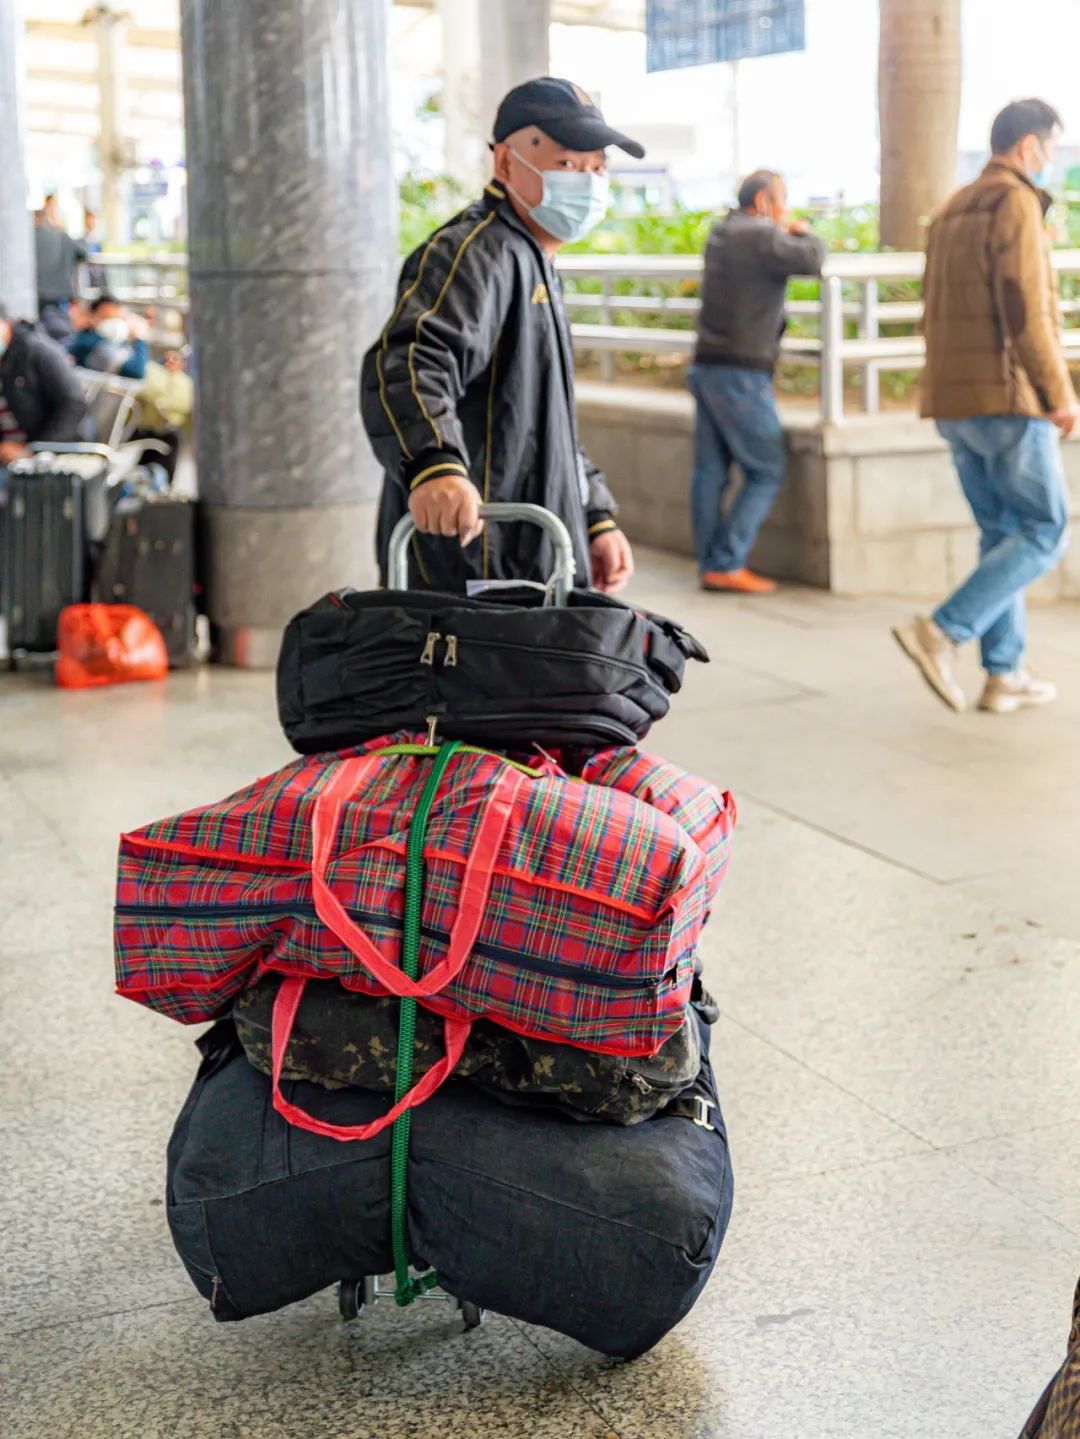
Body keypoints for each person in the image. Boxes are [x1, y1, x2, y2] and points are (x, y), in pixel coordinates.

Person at [360, 76, 637, 594]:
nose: (589, 182)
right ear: (507, 163)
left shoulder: (535, 261)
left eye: (597, 168)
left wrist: (594, 515)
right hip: (474, 559)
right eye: (567, 164)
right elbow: (412, 360)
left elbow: (548, 419)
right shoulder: (474, 254)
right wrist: (434, 463)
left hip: (527, 550)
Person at [893, 98, 1078, 715]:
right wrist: (1059, 395)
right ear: (1029, 147)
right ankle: (943, 630)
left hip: (953, 400)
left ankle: (1004, 672)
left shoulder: (952, 206)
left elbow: (932, 308)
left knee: (1002, 532)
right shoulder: (1015, 201)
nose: (1051, 160)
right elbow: (1027, 310)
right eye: (1051, 147)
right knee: (1045, 530)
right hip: (1004, 399)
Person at [688, 170, 825, 595]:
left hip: (707, 365)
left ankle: (712, 562)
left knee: (710, 471)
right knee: (766, 469)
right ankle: (726, 562)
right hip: (742, 372)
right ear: (764, 200)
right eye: (783, 201)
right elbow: (812, 259)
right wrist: (804, 231)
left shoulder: (723, 231)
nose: (785, 210)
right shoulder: (761, 236)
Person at [0, 304, 87, 468]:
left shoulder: (38, 351)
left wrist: (34, 450)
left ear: (6, 324)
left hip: (44, 454)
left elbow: (74, 403)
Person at [131, 350, 194, 483]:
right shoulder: (152, 373)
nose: (171, 361)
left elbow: (185, 410)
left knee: (163, 474)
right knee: (138, 471)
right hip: (144, 431)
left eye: (176, 358)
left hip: (169, 434)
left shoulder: (186, 384)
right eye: (168, 358)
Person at [34, 198, 88, 342]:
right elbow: (83, 253)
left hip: (37, 297)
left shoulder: (30, 239)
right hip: (60, 298)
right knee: (62, 340)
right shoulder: (63, 236)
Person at [67, 295, 150, 380]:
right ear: (91, 317)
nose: (113, 322)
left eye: (117, 318)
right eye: (107, 317)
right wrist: (139, 340)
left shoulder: (112, 341)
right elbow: (136, 372)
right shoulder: (87, 344)